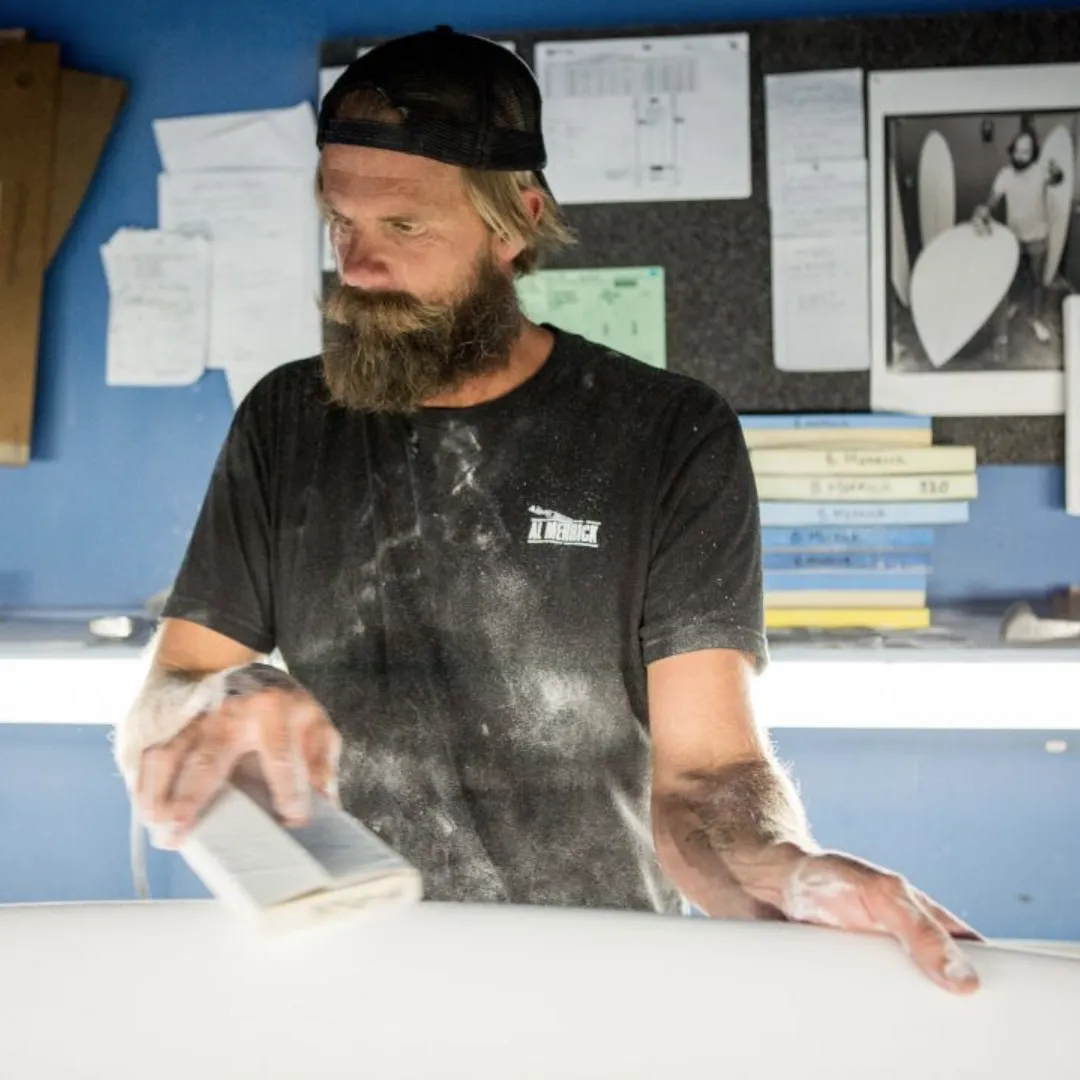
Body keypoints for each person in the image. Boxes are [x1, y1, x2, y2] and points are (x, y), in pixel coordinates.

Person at [115, 25, 981, 993]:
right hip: (339, 970)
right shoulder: (287, 418)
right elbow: (164, 698)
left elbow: (706, 782)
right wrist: (217, 702)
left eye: (402, 228)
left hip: (595, 977)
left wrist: (789, 869)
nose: (356, 267)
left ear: (515, 221)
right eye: (341, 224)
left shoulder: (665, 434)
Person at [973, 124, 1066, 358]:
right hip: (1012, 237)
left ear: (1033, 153)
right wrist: (983, 210)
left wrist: (1057, 172)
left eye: (1026, 151)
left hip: (1038, 236)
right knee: (1008, 280)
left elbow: (1057, 178)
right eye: (1017, 150)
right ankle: (1009, 314)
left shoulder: (1041, 170)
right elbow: (992, 200)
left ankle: (1036, 319)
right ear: (1012, 151)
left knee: (1037, 282)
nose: (1021, 155)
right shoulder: (1004, 174)